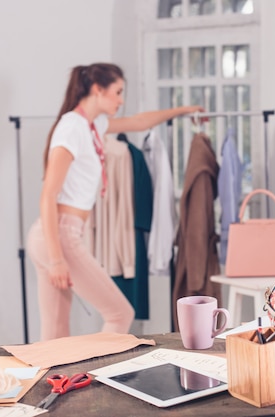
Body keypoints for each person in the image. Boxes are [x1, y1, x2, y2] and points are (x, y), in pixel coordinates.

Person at [26, 62, 204, 341]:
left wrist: (183, 110)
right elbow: (48, 195)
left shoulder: (93, 125)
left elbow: (139, 122)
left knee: (55, 333)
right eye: (118, 92)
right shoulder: (72, 127)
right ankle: (92, 376)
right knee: (120, 313)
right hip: (59, 235)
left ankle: (58, 383)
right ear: (98, 89)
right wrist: (57, 259)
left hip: (55, 234)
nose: (122, 100)